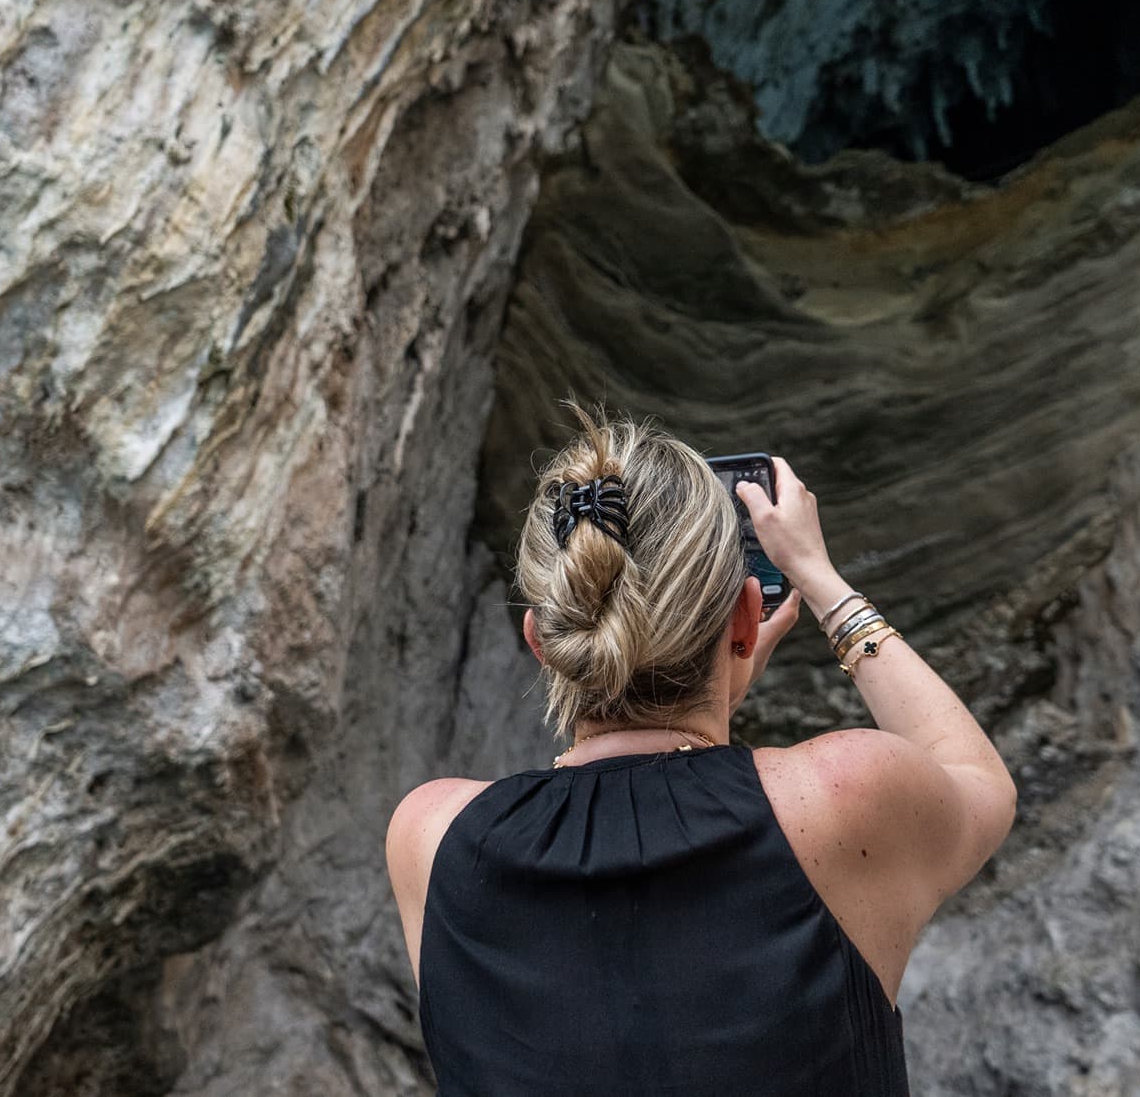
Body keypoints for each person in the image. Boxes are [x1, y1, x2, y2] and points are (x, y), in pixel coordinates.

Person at [384, 405, 1017, 1095]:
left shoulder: (433, 838)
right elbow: (981, 784)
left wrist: (707, 709)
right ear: (746, 618)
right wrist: (821, 579)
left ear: (543, 645)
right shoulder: (838, 800)